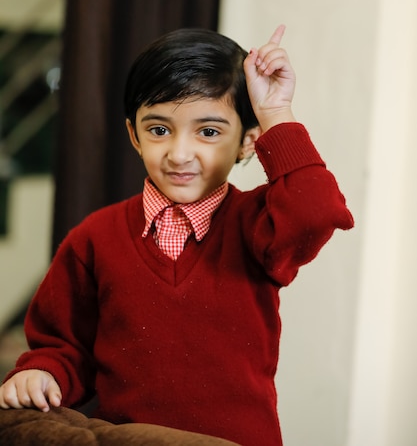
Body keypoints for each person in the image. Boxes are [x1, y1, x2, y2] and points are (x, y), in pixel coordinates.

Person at [0, 26, 354, 446]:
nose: (179, 153)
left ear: (247, 142)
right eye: (159, 130)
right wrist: (42, 371)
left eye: (208, 132)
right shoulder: (94, 238)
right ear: (134, 134)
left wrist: (276, 112)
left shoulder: (259, 224)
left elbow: (316, 211)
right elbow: (65, 346)